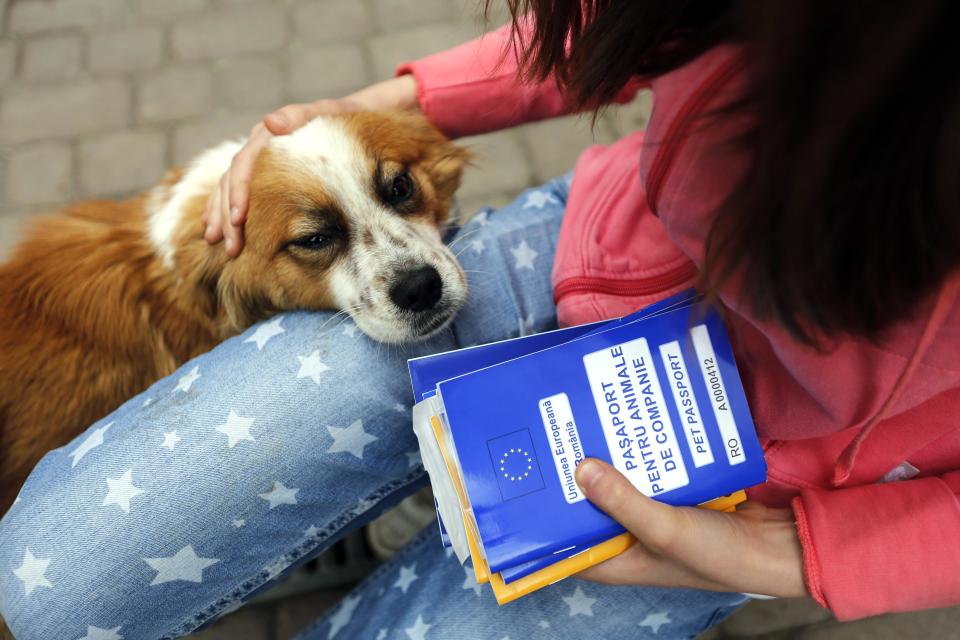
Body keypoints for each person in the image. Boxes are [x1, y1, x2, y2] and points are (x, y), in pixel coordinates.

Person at [3, 1, 959, 637]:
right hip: (606, 254)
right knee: (46, 584)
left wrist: (799, 553)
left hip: (785, 468)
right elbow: (618, 25)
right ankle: (396, 500)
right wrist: (386, 104)